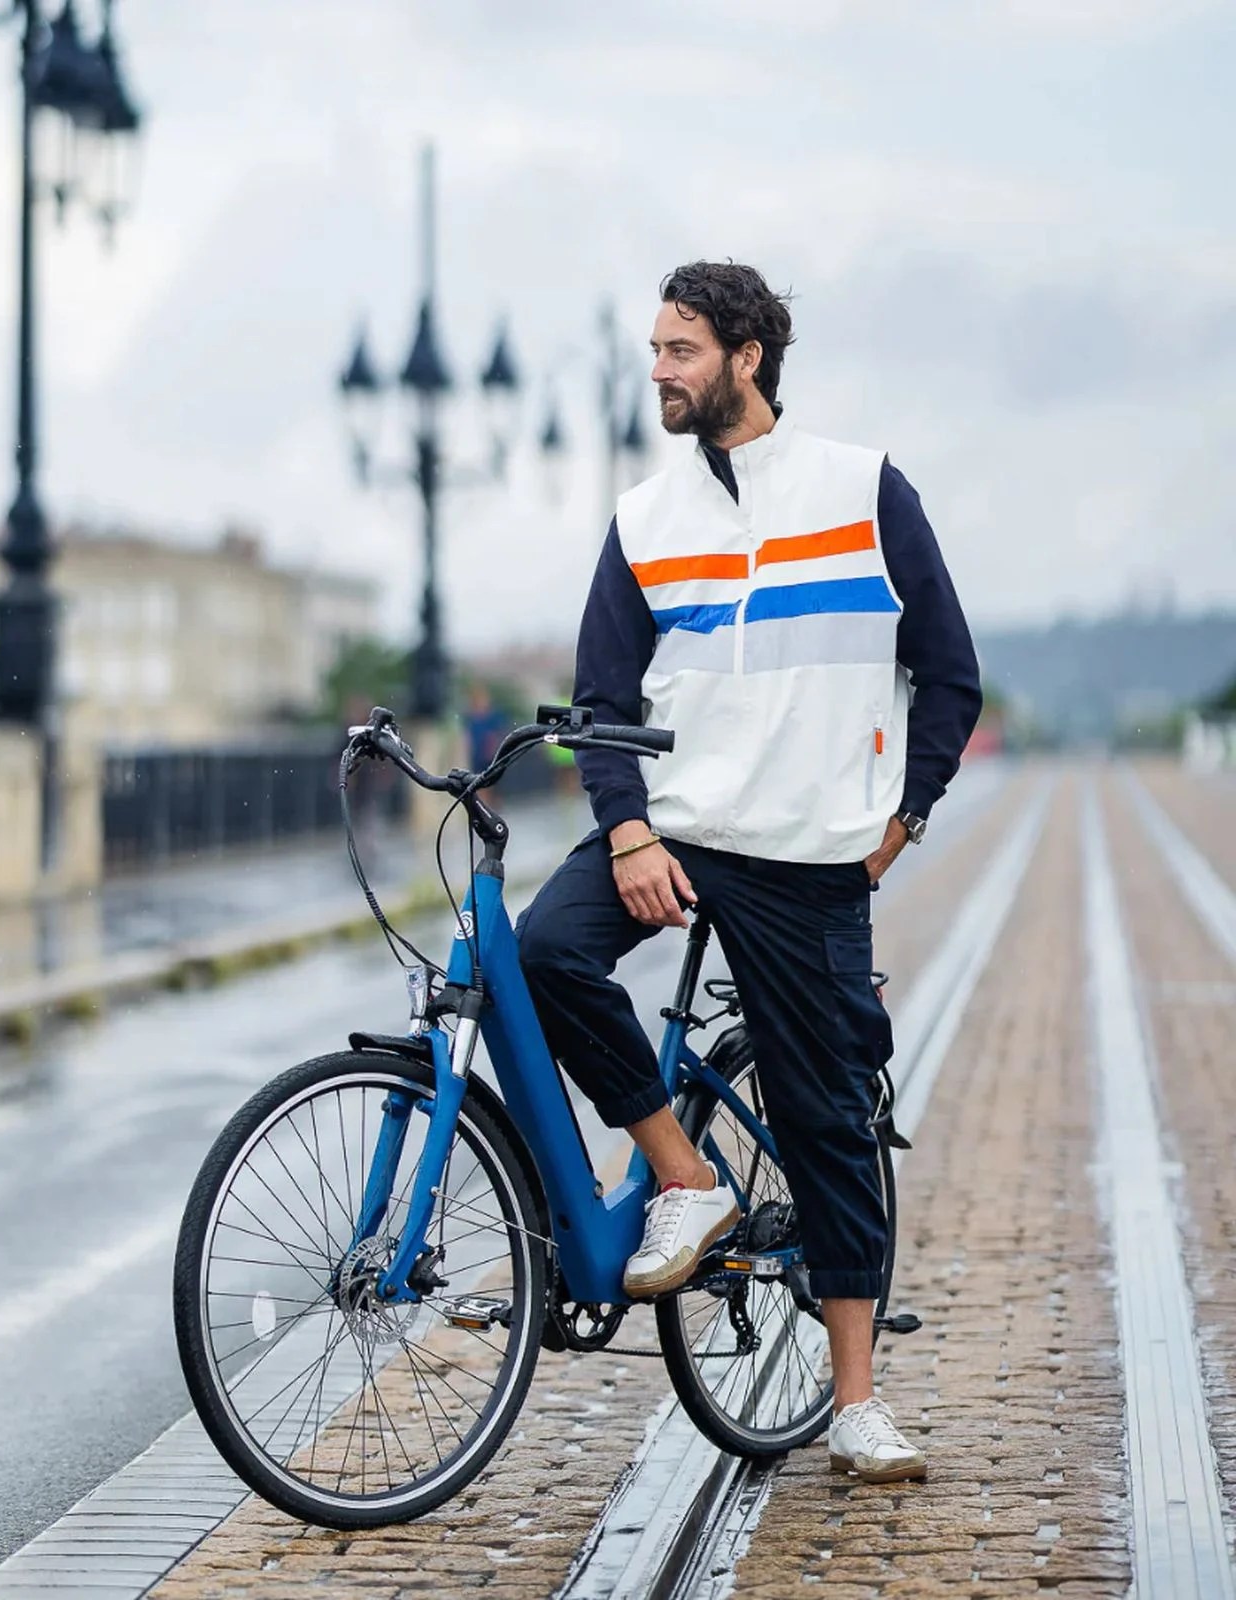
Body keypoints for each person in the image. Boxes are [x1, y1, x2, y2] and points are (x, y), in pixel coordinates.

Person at [516, 260, 981, 1486]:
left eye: (679, 350)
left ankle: (856, 1400)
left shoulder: (863, 488)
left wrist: (901, 821)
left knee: (824, 1112)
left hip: (805, 849)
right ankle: (682, 1174)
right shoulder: (643, 519)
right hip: (672, 824)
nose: (658, 372)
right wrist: (626, 830)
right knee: (543, 953)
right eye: (654, 350)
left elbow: (950, 674)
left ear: (745, 355)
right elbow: (603, 701)